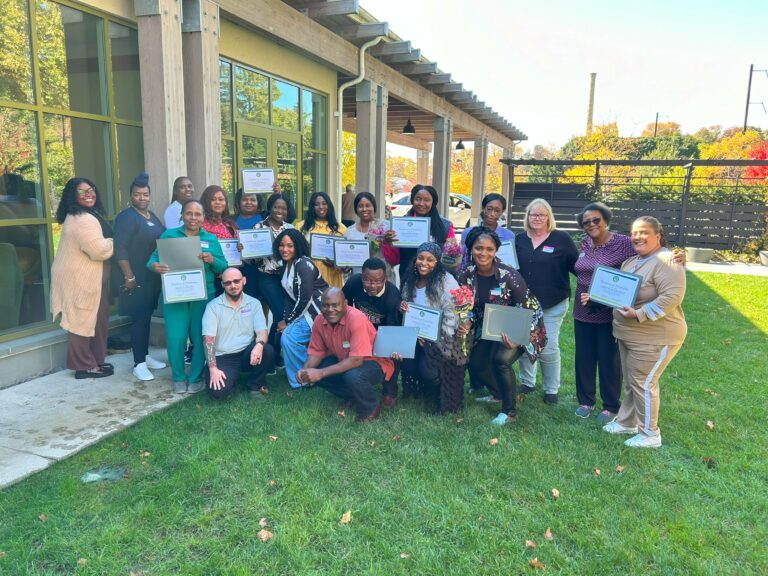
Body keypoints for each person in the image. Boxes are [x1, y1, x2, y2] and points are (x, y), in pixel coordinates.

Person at [602, 217, 687, 448]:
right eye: (634, 233)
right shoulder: (631, 261)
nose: (637, 237)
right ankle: (627, 422)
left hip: (656, 336)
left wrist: (639, 314)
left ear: (658, 235)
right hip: (628, 334)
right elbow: (619, 292)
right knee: (632, 381)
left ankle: (650, 434)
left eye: (643, 232)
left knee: (643, 382)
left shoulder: (668, 260)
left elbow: (672, 297)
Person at [457, 227, 546, 425]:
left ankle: (509, 412)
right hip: (490, 327)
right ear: (471, 248)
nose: (484, 253)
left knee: (500, 359)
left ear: (496, 250)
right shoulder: (466, 273)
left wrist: (517, 338)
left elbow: (527, 311)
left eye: (489, 249)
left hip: (523, 328)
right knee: (476, 361)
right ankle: (498, 394)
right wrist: (467, 320)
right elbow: (466, 305)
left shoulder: (509, 276)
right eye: (479, 248)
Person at [147, 200, 227, 393]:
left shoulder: (211, 239)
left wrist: (212, 259)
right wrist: (155, 266)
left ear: (203, 217)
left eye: (197, 214)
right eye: (189, 213)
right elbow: (153, 259)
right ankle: (178, 377)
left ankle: (196, 376)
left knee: (201, 336)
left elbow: (223, 267)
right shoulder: (169, 235)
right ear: (181, 216)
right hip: (175, 294)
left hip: (203, 294)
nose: (193, 217)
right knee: (176, 337)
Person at [515, 198, 578, 404]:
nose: (537, 218)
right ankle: (527, 381)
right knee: (526, 343)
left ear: (549, 217)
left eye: (542, 214)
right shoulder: (519, 240)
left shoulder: (562, 239)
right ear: (527, 217)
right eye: (533, 214)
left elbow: (579, 267)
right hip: (524, 303)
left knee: (548, 346)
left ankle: (551, 389)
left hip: (553, 302)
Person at [296, 288, 393, 422]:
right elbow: (316, 352)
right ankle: (352, 395)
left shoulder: (356, 319)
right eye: (326, 305)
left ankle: (370, 407)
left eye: (335, 305)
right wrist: (305, 370)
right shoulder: (319, 320)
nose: (330, 309)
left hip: (374, 362)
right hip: (346, 360)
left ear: (345, 303)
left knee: (353, 375)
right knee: (318, 370)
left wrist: (321, 373)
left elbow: (356, 360)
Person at [50, 178, 114, 379]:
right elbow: (98, 251)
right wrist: (115, 240)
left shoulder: (88, 214)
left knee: (97, 318)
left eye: (91, 189)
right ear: (73, 196)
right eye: (82, 191)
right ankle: (83, 367)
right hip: (79, 279)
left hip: (91, 279)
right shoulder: (81, 219)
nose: (89, 194)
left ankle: (95, 360)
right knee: (81, 320)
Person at [398, 242, 467, 414]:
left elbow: (452, 316)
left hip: (442, 338)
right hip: (416, 336)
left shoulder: (446, 281)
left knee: (428, 370)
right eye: (420, 258)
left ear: (437, 262)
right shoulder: (410, 280)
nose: (424, 263)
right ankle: (425, 392)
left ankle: (439, 396)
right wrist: (403, 307)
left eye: (430, 260)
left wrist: (435, 339)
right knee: (407, 366)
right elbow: (408, 309)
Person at [113, 172, 166, 381]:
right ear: (131, 196)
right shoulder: (127, 217)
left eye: (145, 194)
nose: (141, 198)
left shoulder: (151, 216)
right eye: (137, 194)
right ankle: (139, 364)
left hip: (151, 276)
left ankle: (144, 356)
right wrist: (129, 276)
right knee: (139, 319)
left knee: (146, 317)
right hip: (135, 276)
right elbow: (120, 248)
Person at [202, 267, 276, 399]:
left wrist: (258, 345)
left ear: (244, 281)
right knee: (218, 392)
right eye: (228, 283)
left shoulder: (254, 303)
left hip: (247, 352)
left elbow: (262, 331)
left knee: (267, 350)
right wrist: (213, 369)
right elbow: (208, 341)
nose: (233, 286)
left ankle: (255, 385)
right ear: (222, 285)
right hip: (224, 356)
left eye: (236, 281)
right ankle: (222, 376)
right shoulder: (213, 307)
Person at [342, 257, 402, 406]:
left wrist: (386, 347)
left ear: (385, 279)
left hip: (381, 333)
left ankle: (390, 391)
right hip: (358, 330)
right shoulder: (353, 283)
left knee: (393, 355)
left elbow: (391, 330)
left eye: (378, 281)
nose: (372, 285)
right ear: (362, 277)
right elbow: (344, 305)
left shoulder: (392, 296)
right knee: (344, 348)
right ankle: (351, 391)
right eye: (368, 281)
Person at [274, 228, 329, 389]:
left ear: (297, 246)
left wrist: (288, 321)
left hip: (317, 313)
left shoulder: (303, 264)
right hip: (304, 313)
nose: (285, 249)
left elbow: (305, 298)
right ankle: (307, 375)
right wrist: (286, 319)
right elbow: (288, 297)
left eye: (290, 246)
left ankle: (303, 379)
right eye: (282, 245)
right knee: (287, 335)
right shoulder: (286, 265)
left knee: (289, 337)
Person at [248, 192, 297, 364]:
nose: (280, 211)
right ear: (270, 207)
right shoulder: (258, 227)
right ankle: (273, 353)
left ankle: (273, 354)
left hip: (287, 277)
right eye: (276, 207)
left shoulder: (290, 228)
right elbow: (252, 259)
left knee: (283, 314)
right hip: (267, 278)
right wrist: (245, 250)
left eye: (283, 208)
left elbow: (296, 253)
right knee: (279, 312)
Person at [382, 184, 455, 274]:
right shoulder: (400, 225)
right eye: (418, 199)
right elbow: (394, 260)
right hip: (408, 277)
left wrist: (452, 248)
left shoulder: (445, 226)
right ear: (412, 200)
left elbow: (451, 259)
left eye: (427, 200)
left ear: (433, 202)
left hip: (436, 278)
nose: (421, 203)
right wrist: (388, 243)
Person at [297, 191, 346, 288]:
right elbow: (296, 252)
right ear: (312, 207)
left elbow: (345, 257)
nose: (321, 207)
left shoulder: (341, 228)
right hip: (309, 276)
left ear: (329, 206)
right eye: (316, 204)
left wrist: (336, 263)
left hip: (333, 276)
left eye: (324, 203)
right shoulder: (301, 226)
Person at [343, 191, 395, 282]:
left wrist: (387, 242)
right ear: (356, 209)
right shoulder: (350, 232)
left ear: (374, 207)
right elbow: (346, 260)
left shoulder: (386, 227)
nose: (364, 209)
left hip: (384, 280)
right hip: (360, 280)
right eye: (360, 206)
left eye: (368, 205)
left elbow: (395, 251)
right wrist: (345, 267)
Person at [200, 184, 239, 296]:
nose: (218, 202)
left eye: (221, 199)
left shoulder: (229, 222)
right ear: (206, 202)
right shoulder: (202, 224)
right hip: (214, 276)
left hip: (232, 275)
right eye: (213, 199)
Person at [459, 193, 514, 270]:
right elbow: (463, 260)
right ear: (483, 208)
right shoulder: (468, 233)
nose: (492, 214)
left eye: (497, 211)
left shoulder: (508, 235)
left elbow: (510, 264)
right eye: (489, 209)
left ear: (502, 212)